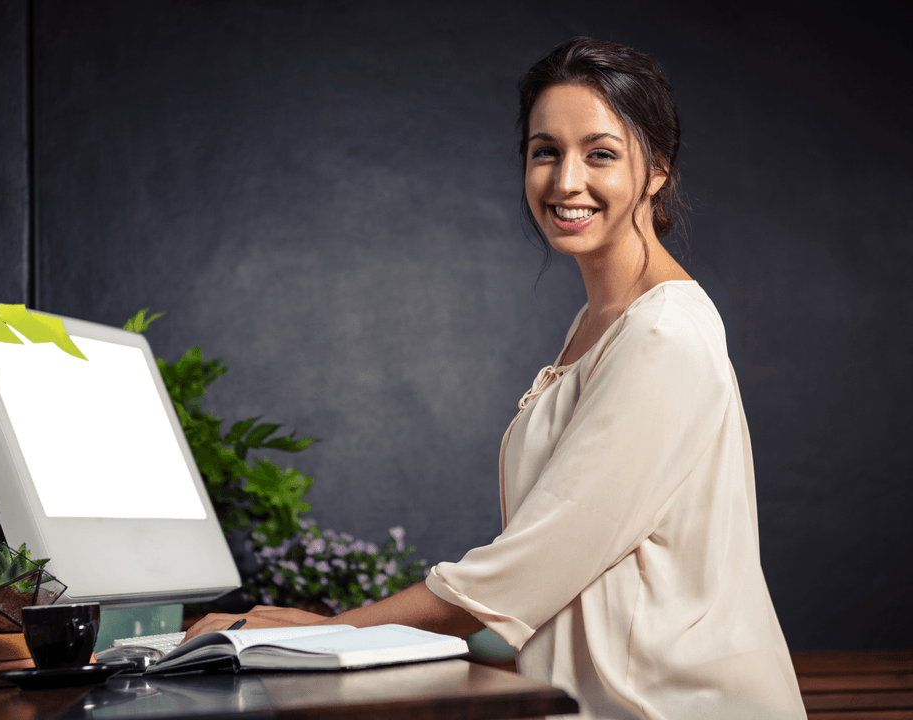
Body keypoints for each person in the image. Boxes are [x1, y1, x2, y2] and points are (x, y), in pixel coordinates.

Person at [187, 37, 808, 720]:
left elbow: (530, 567)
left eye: (600, 154)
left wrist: (324, 632)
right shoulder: (597, 320)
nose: (566, 180)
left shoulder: (663, 335)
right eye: (546, 151)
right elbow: (566, 586)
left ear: (656, 169)